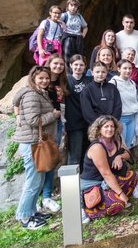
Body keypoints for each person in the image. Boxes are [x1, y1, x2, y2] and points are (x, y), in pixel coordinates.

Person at [12, 66, 60, 229]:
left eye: (46, 78)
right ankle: (24, 217)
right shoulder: (32, 95)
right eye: (41, 78)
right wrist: (52, 115)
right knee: (32, 182)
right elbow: (33, 120)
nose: (45, 81)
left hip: (34, 142)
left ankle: (32, 212)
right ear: (33, 78)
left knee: (37, 180)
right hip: (31, 143)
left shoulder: (39, 92)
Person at [80, 116, 138, 221]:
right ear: (99, 129)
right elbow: (106, 173)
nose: (110, 129)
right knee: (118, 204)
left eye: (112, 126)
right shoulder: (97, 147)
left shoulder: (116, 140)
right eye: (106, 126)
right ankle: (89, 211)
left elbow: (128, 154)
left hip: (105, 182)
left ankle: (109, 196)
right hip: (93, 184)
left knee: (132, 176)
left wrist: (119, 156)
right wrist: (121, 194)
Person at [41, 54, 69, 213]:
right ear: (49, 63)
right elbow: (19, 99)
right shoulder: (42, 78)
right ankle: (40, 197)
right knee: (41, 160)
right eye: (55, 63)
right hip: (43, 126)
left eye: (61, 64)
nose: (58, 66)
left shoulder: (61, 81)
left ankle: (47, 196)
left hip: (57, 123)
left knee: (51, 160)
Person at [65, 55, 92, 168]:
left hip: (89, 122)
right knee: (74, 155)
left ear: (85, 66)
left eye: (81, 65)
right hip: (74, 122)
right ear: (71, 65)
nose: (78, 67)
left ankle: (86, 180)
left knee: (88, 154)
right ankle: (72, 185)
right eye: (76, 64)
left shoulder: (89, 81)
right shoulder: (66, 80)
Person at [110, 59, 138, 151]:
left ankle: (124, 164)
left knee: (128, 145)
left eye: (130, 68)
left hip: (132, 117)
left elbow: (135, 101)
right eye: (125, 68)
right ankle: (117, 164)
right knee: (120, 145)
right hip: (121, 118)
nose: (128, 71)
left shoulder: (132, 83)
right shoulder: (113, 83)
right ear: (119, 69)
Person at [60, 0, 88, 65]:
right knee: (67, 54)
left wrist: (83, 34)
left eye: (75, 6)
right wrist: (62, 23)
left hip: (78, 37)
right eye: (71, 5)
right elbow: (54, 19)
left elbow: (85, 27)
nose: (73, 7)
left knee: (78, 55)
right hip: (68, 36)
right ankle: (67, 70)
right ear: (68, 6)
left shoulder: (79, 16)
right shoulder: (65, 15)